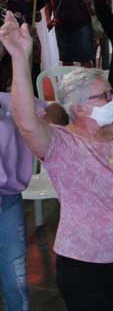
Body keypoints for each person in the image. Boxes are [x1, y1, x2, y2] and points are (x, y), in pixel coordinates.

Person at [0, 11, 113, 311]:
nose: (112, 101)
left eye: (110, 93)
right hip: (86, 263)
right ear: (78, 108)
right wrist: (19, 58)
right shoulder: (61, 144)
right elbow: (27, 123)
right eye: (101, 97)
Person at [0, 88, 67, 311]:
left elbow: (55, 112)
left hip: (7, 200)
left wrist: (49, 119)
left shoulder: (8, 102)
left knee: (16, 281)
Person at [45, 0, 95, 67]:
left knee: (85, 60)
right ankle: (69, 82)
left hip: (82, 27)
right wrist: (48, 19)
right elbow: (47, 4)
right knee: (66, 61)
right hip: (62, 29)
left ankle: (89, 82)